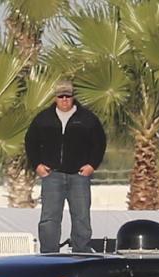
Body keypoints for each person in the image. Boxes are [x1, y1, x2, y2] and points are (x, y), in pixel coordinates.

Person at [24, 79, 106, 254]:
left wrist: (92, 165)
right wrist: (37, 165)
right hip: (52, 175)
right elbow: (31, 142)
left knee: (81, 216)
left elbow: (99, 143)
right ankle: (49, 253)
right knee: (49, 218)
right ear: (55, 98)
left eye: (67, 96)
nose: (64, 100)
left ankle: (81, 251)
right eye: (61, 96)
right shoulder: (43, 119)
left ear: (73, 97)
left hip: (79, 176)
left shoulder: (87, 119)